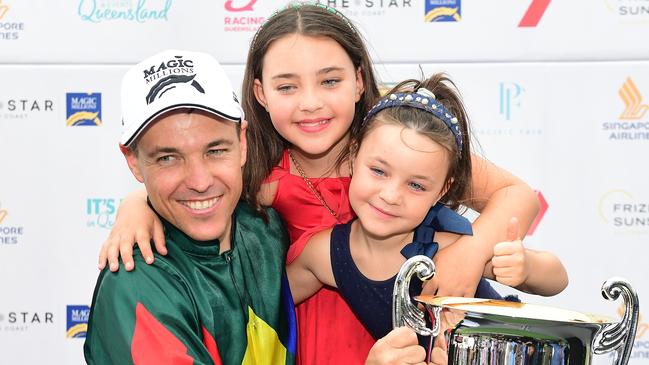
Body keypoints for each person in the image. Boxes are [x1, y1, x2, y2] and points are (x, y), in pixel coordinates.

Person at [97, 3, 541, 364]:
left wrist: (472, 250)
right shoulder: (263, 180)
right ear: (260, 95)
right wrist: (135, 204)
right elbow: (195, 187)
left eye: (329, 80)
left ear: (359, 81)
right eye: (287, 87)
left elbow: (517, 194)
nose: (311, 103)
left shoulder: (400, 152)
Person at [286, 75, 568, 342]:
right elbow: (265, 307)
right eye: (378, 171)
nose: (391, 195)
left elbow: (557, 279)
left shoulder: (446, 248)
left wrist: (526, 268)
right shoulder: (326, 254)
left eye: (416, 186)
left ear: (442, 191)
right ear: (353, 156)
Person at [83, 49, 298, 365]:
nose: (199, 181)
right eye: (167, 158)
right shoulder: (135, 283)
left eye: (215, 150)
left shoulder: (267, 225)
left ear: (242, 142)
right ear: (133, 161)